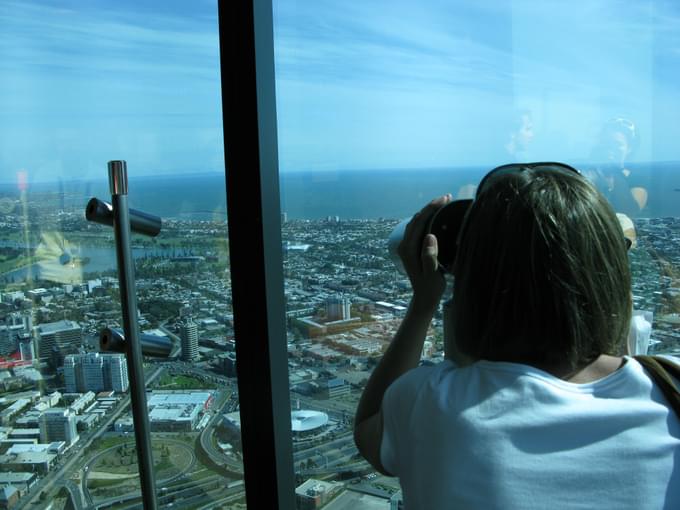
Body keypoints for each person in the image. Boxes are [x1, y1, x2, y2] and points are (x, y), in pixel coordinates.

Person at [354, 163, 679, 509]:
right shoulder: (670, 386)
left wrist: (423, 303)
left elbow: (368, 428)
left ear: (475, 280)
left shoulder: (432, 404)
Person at [586, 118, 648, 216]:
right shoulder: (588, 171)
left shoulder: (636, 177)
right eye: (607, 143)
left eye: (617, 144)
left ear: (630, 148)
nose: (610, 148)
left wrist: (615, 172)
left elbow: (630, 211)